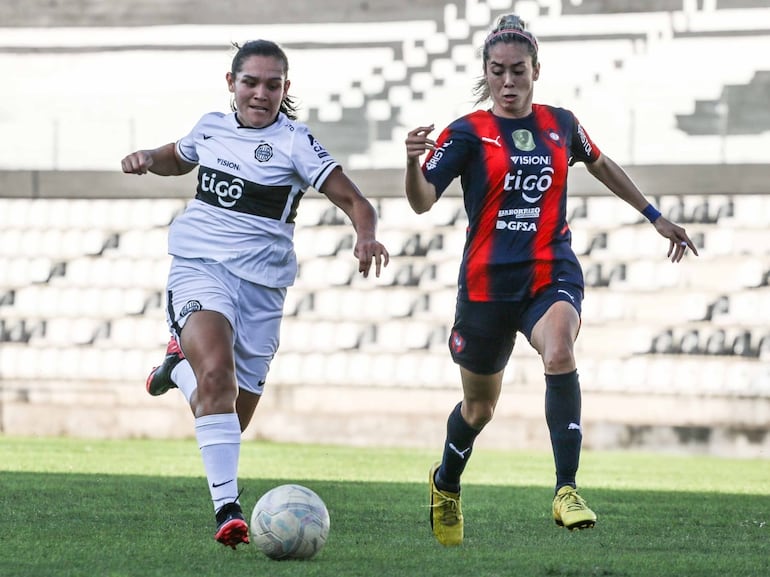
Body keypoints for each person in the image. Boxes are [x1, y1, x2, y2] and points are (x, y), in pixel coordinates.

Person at [404, 14, 698, 546]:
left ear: (536, 70)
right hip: (487, 286)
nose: (508, 82)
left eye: (519, 71)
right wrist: (411, 165)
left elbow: (602, 164)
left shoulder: (561, 123)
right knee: (479, 408)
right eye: (498, 72)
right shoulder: (467, 132)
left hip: (550, 271)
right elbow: (422, 201)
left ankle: (566, 489)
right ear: (487, 73)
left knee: (559, 352)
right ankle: (446, 484)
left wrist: (655, 216)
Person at [121, 39, 389, 549]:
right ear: (231, 83)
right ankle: (228, 512)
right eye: (250, 82)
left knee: (225, 411)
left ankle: (178, 369)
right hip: (201, 270)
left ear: (285, 89)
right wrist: (146, 158)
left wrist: (366, 233)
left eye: (272, 84)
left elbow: (354, 199)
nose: (260, 93)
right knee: (217, 376)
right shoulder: (211, 127)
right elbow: (178, 158)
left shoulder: (296, 143)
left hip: (263, 292)